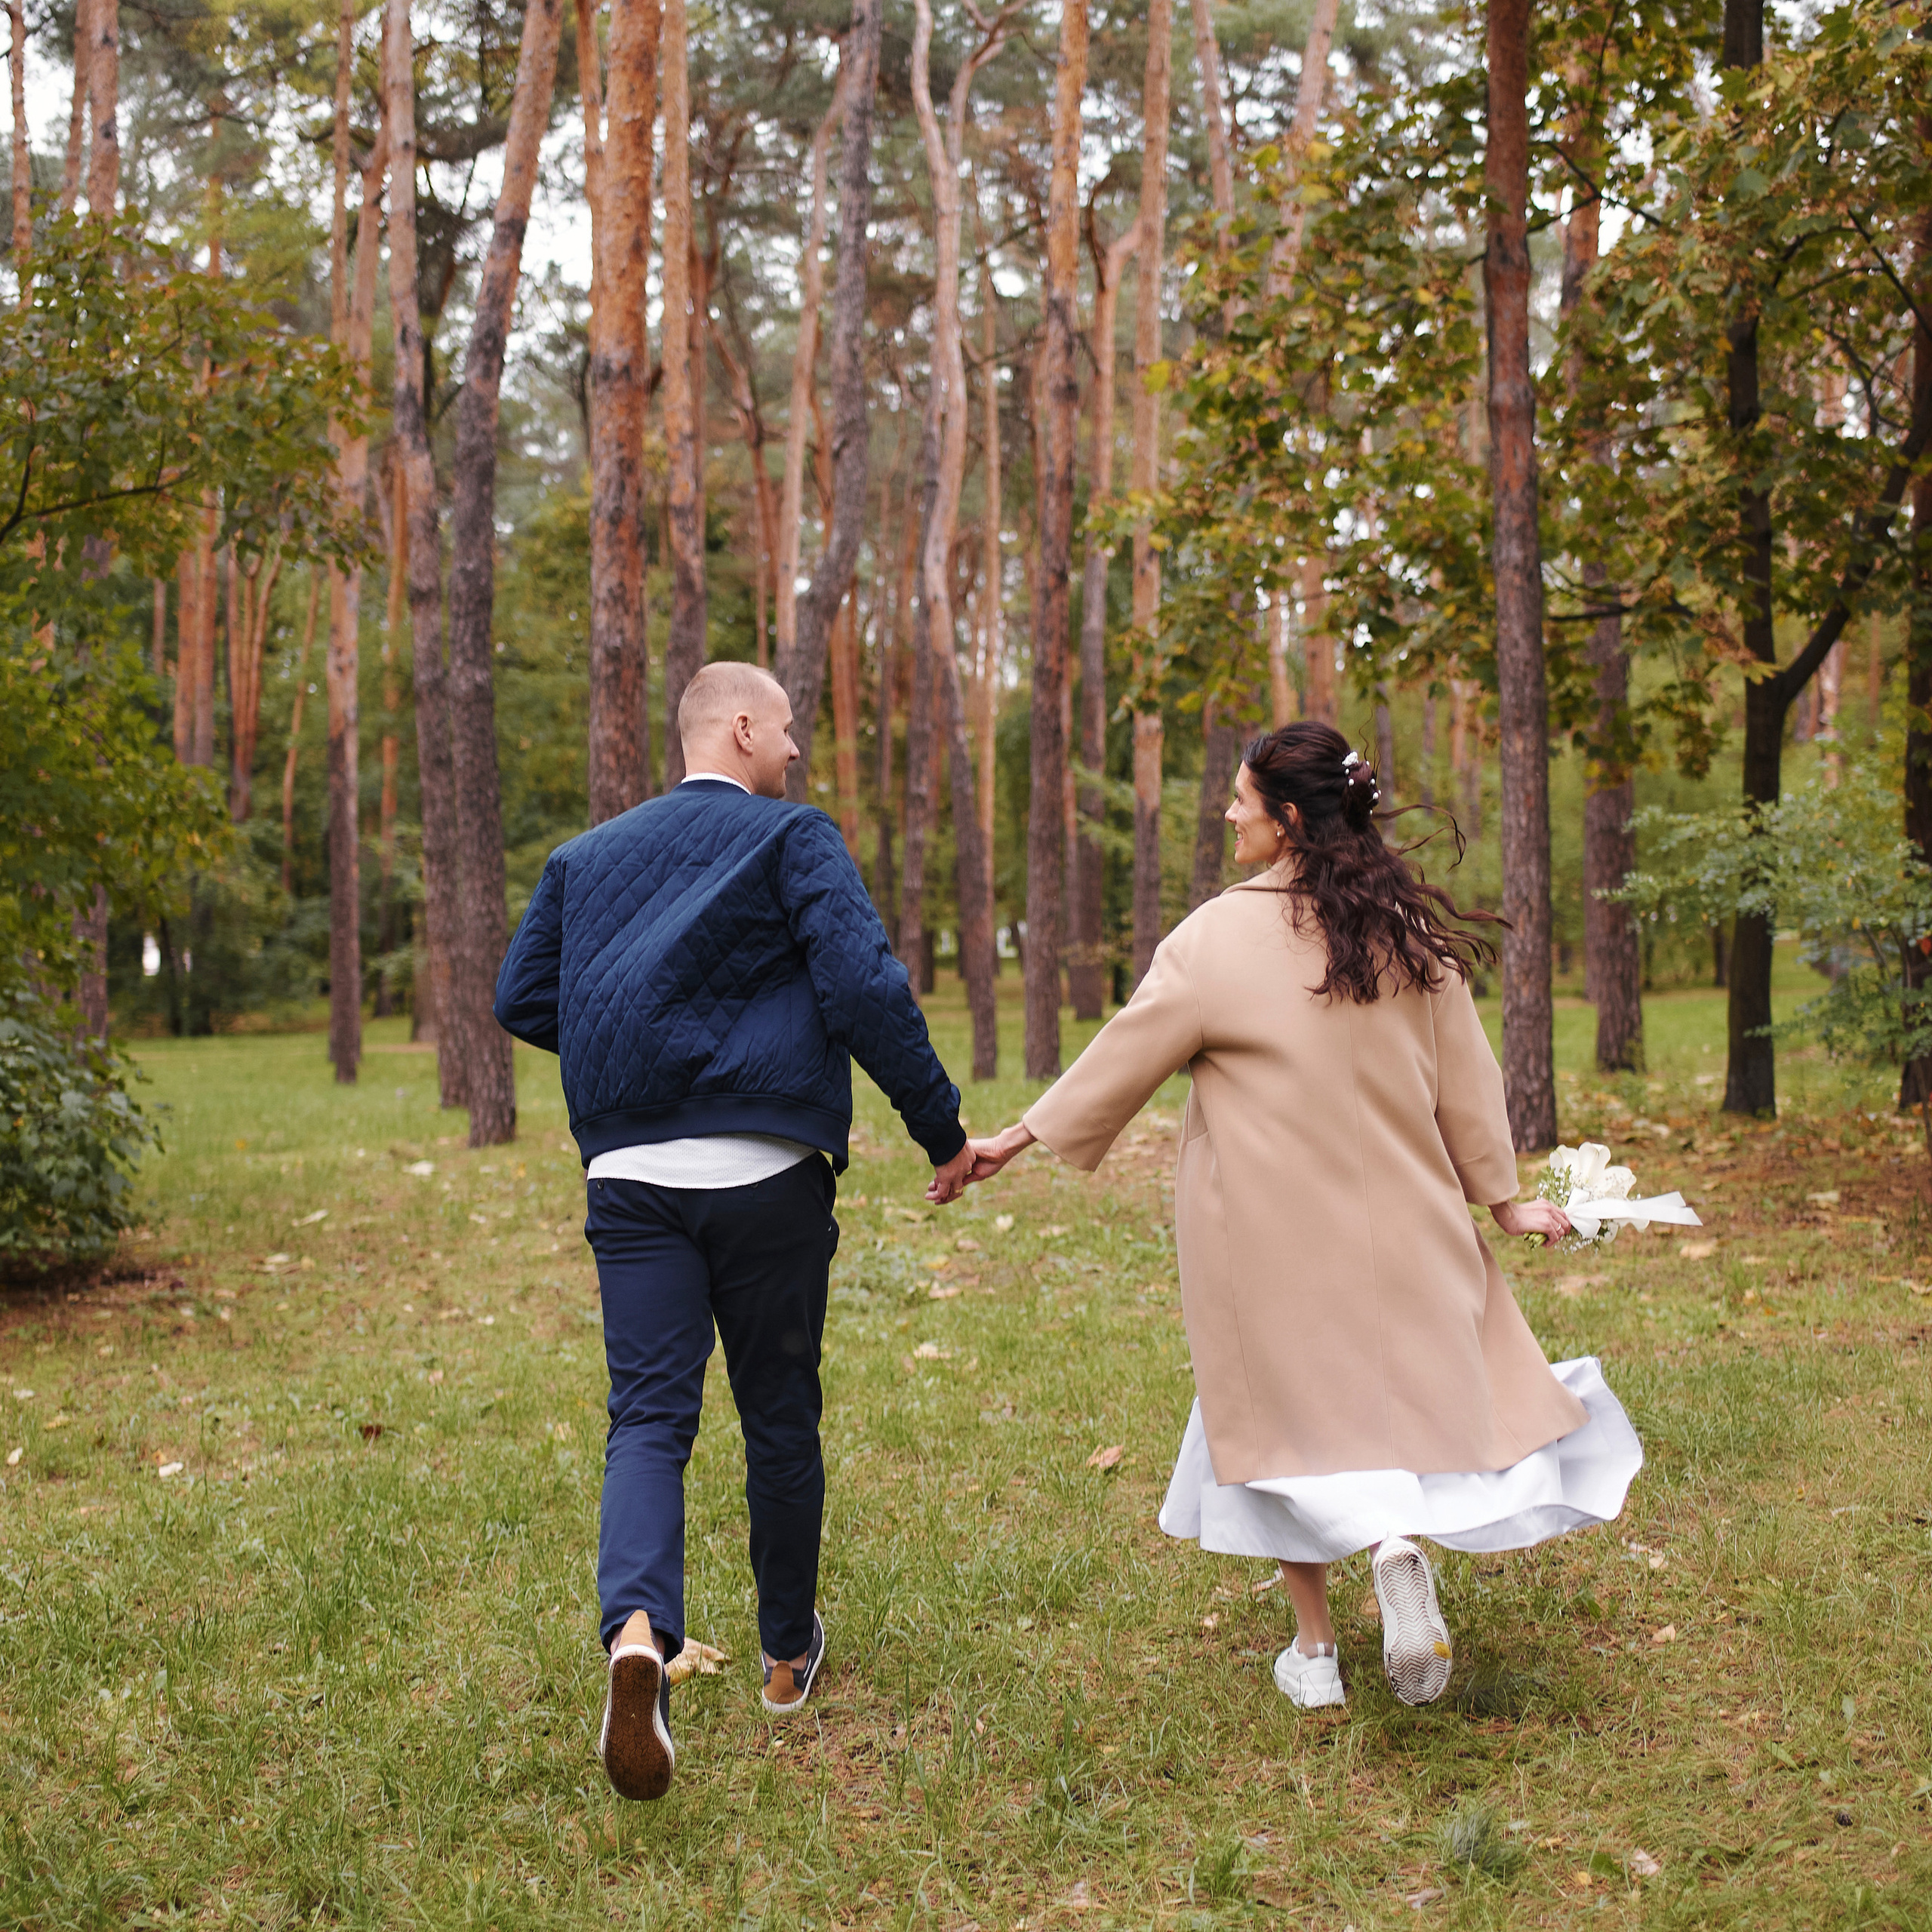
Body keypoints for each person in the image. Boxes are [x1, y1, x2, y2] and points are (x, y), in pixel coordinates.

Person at [960, 721, 1641, 1710]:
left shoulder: (1216, 938)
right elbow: (1471, 1081)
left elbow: (1121, 1054)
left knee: (1279, 1434)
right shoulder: (1407, 936)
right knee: (1393, 1406)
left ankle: (1323, 1650)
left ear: (1285, 820)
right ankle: (1377, 1565)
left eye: (1241, 800)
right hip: (1405, 1225)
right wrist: (1504, 1200)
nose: (1228, 814)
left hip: (1266, 1242)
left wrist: (1012, 1141)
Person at [495, 662, 974, 1799]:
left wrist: (640, 1055)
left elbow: (524, 995)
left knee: (649, 1419)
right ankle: (781, 1659)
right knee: (777, 1414)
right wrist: (940, 1128)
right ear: (744, 726)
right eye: (791, 729)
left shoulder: (585, 858)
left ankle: (636, 1635)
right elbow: (861, 985)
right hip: (765, 1172)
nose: (799, 752)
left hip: (630, 1175)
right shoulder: (792, 840)